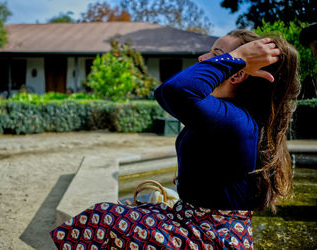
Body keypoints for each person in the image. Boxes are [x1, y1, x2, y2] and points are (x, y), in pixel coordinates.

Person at [50, 30, 300, 249]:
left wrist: (238, 58)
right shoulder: (225, 113)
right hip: (193, 221)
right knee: (129, 209)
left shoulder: (235, 120)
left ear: (236, 74)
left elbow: (175, 90)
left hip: (210, 236)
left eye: (216, 53)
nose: (202, 58)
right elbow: (166, 92)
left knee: (103, 218)